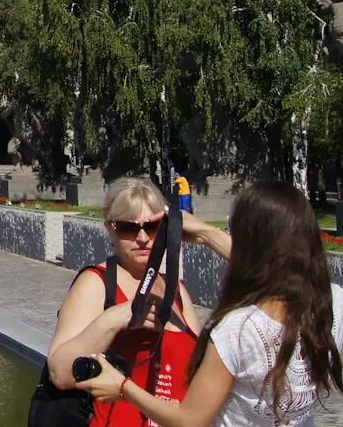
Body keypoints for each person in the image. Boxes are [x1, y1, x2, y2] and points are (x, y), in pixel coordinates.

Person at [76, 181, 343, 427]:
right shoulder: (334, 302)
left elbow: (189, 420)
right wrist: (206, 233)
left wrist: (124, 388)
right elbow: (280, 272)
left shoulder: (238, 330)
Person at [45, 177, 227, 426]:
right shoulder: (97, 283)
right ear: (110, 228)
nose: (142, 238)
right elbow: (60, 372)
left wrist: (207, 233)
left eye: (152, 227)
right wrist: (116, 318)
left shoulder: (176, 290)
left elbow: (278, 281)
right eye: (128, 228)